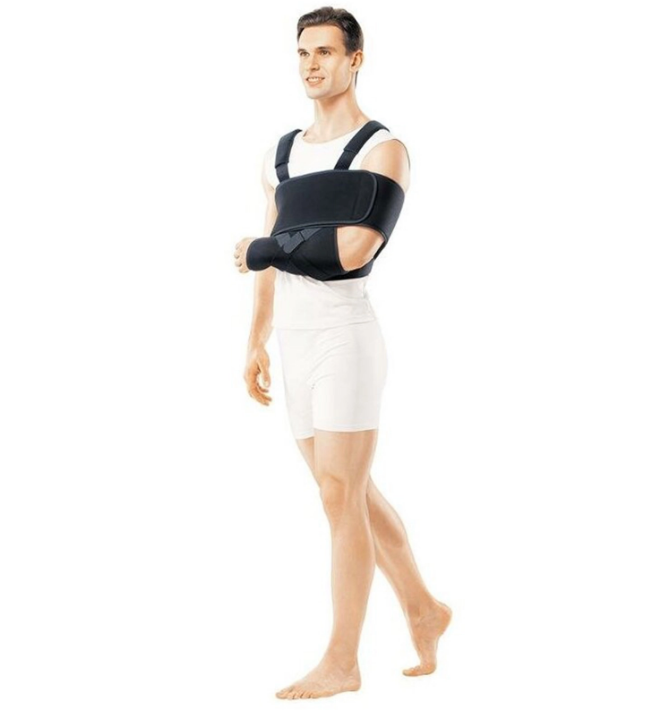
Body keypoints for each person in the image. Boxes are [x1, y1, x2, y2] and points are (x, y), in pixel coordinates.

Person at [233, 6, 452, 700]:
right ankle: (424, 608)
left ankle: (341, 660)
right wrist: (255, 336)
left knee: (339, 494)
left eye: (325, 52)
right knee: (346, 492)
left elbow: (352, 251)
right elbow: (274, 256)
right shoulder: (281, 154)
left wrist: (263, 249)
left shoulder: (382, 149)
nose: (311, 65)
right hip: (294, 340)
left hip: (344, 336)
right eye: (303, 53)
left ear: (355, 59)